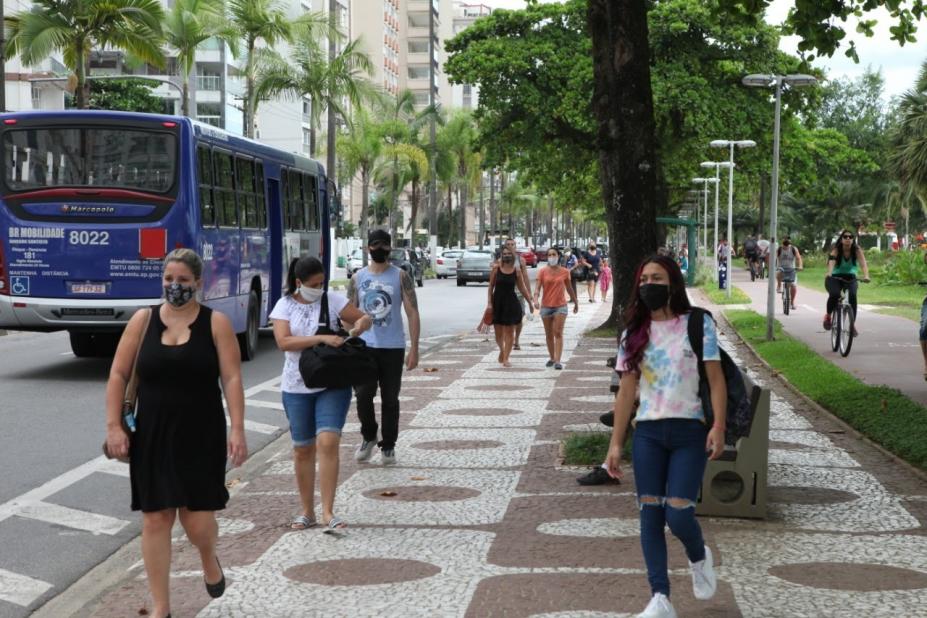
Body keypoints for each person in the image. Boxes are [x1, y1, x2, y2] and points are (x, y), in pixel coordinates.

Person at [104, 248, 248, 618]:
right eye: (169, 279)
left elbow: (231, 377)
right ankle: (161, 608)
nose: (175, 286)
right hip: (152, 432)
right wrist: (114, 426)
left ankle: (207, 558)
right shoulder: (142, 320)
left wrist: (238, 429)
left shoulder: (215, 323)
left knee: (197, 520)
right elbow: (119, 374)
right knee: (155, 518)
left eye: (183, 280)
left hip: (201, 433)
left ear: (198, 283)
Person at [604, 254, 726, 618]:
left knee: (678, 515)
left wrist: (718, 426)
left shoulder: (697, 324)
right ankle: (660, 598)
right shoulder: (633, 333)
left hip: (690, 431)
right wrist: (616, 443)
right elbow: (626, 391)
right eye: (643, 280)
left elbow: (716, 379)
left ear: (672, 282)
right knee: (650, 515)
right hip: (649, 434)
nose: (648, 286)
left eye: (656, 278)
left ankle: (698, 554)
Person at [271, 257, 373, 532]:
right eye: (314, 284)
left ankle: (328, 511)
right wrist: (321, 338)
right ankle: (307, 511)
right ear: (298, 283)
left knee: (328, 441)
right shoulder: (284, 305)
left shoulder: (333, 300)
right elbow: (283, 342)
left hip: (331, 381)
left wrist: (363, 323)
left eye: (322, 283)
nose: (319, 288)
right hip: (296, 385)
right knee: (303, 449)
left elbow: (363, 317)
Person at [349, 229, 421, 466]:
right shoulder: (357, 278)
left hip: (393, 347)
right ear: (368, 248)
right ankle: (369, 436)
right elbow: (347, 314)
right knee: (362, 396)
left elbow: (412, 312)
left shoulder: (401, 276)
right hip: (364, 348)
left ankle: (388, 445)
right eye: (375, 245)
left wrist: (414, 349)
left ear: (390, 248)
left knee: (390, 399)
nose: (380, 249)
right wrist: (352, 331)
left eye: (384, 245)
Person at [488, 245, 535, 367]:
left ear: (513, 256)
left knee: (509, 331)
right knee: (498, 334)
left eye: (509, 254)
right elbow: (490, 286)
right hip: (497, 302)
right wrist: (489, 303)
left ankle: (506, 358)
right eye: (504, 254)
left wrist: (530, 302)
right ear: (501, 256)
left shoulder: (516, 271)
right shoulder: (496, 269)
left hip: (511, 303)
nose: (507, 255)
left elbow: (522, 288)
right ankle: (502, 351)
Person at [534, 247, 579, 370]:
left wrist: (575, 302)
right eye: (549, 255)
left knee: (558, 332)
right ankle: (552, 357)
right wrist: (535, 298)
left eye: (554, 254)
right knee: (549, 334)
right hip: (546, 306)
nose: (552, 257)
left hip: (560, 306)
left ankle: (558, 361)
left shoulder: (565, 271)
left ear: (558, 256)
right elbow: (537, 288)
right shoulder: (542, 271)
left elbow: (569, 288)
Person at [823, 230, 870, 334]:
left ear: (853, 239)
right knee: (834, 294)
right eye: (845, 237)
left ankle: (852, 325)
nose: (848, 238)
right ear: (842, 238)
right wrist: (830, 272)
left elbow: (863, 264)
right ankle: (828, 316)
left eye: (850, 237)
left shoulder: (856, 250)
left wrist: (866, 276)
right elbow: (831, 261)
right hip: (835, 277)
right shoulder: (837, 249)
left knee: (853, 296)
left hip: (851, 277)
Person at [496, 238, 532, 350]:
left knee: (519, 317)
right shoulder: (500, 261)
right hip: (505, 293)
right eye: (508, 244)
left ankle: (516, 340)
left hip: (519, 293)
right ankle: (507, 340)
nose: (511, 246)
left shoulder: (521, 260)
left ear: (516, 246)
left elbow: (525, 276)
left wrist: (529, 293)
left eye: (512, 244)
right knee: (504, 319)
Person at [775, 237, 804, 310]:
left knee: (793, 286)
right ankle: (779, 286)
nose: (786, 246)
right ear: (782, 244)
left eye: (787, 245)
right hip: (781, 268)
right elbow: (775, 258)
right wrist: (775, 266)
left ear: (790, 244)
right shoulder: (779, 249)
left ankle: (792, 303)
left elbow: (798, 258)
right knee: (778, 272)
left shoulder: (794, 249)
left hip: (791, 269)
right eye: (785, 245)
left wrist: (800, 266)